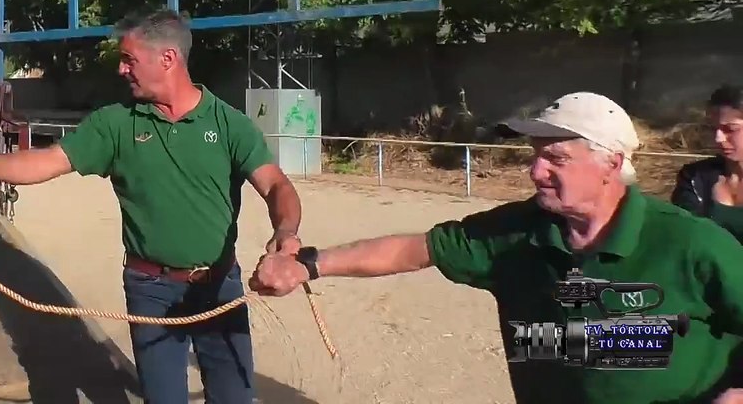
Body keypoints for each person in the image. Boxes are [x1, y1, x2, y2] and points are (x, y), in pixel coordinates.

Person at [249, 91, 743, 404]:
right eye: (534, 156)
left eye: (556, 158)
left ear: (610, 164)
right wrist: (308, 265)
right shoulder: (516, 231)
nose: (535, 171)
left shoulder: (691, 242)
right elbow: (415, 249)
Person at [0, 8, 303, 403]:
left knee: (234, 398)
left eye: (129, 59)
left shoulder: (229, 124)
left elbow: (276, 185)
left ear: (168, 59)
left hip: (220, 287)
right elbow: (47, 161)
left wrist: (286, 232)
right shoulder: (115, 124)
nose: (122, 70)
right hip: (150, 291)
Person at [671, 85, 743, 240]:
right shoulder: (694, 177)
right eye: (713, 129)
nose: (718, 138)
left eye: (730, 129)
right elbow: (683, 234)